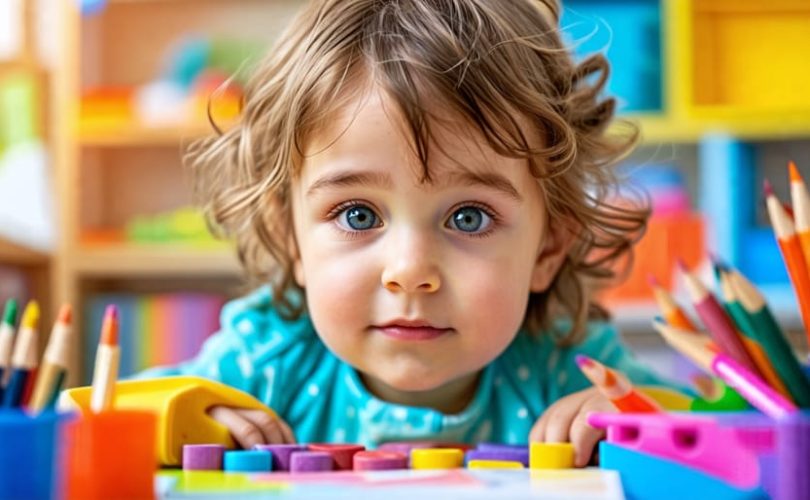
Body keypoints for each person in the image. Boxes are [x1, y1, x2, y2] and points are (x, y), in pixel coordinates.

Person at [142, 0, 677, 467]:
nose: (410, 272)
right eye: (358, 215)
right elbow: (88, 417)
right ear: (289, 235)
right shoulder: (267, 367)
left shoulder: (563, 366)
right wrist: (173, 419)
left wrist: (644, 419)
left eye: (469, 216)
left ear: (549, 247)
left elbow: (736, 427)